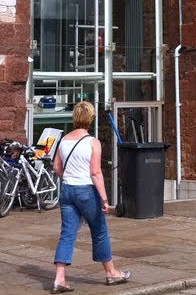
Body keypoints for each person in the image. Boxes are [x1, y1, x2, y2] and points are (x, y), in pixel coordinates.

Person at [51, 102, 131, 293]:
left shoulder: (63, 140)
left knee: (67, 234)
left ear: (74, 118)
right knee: (100, 231)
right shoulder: (93, 142)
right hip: (86, 191)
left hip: (67, 190)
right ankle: (111, 273)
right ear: (91, 119)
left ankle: (59, 279)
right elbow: (95, 173)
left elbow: (56, 167)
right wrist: (104, 199)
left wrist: (69, 179)